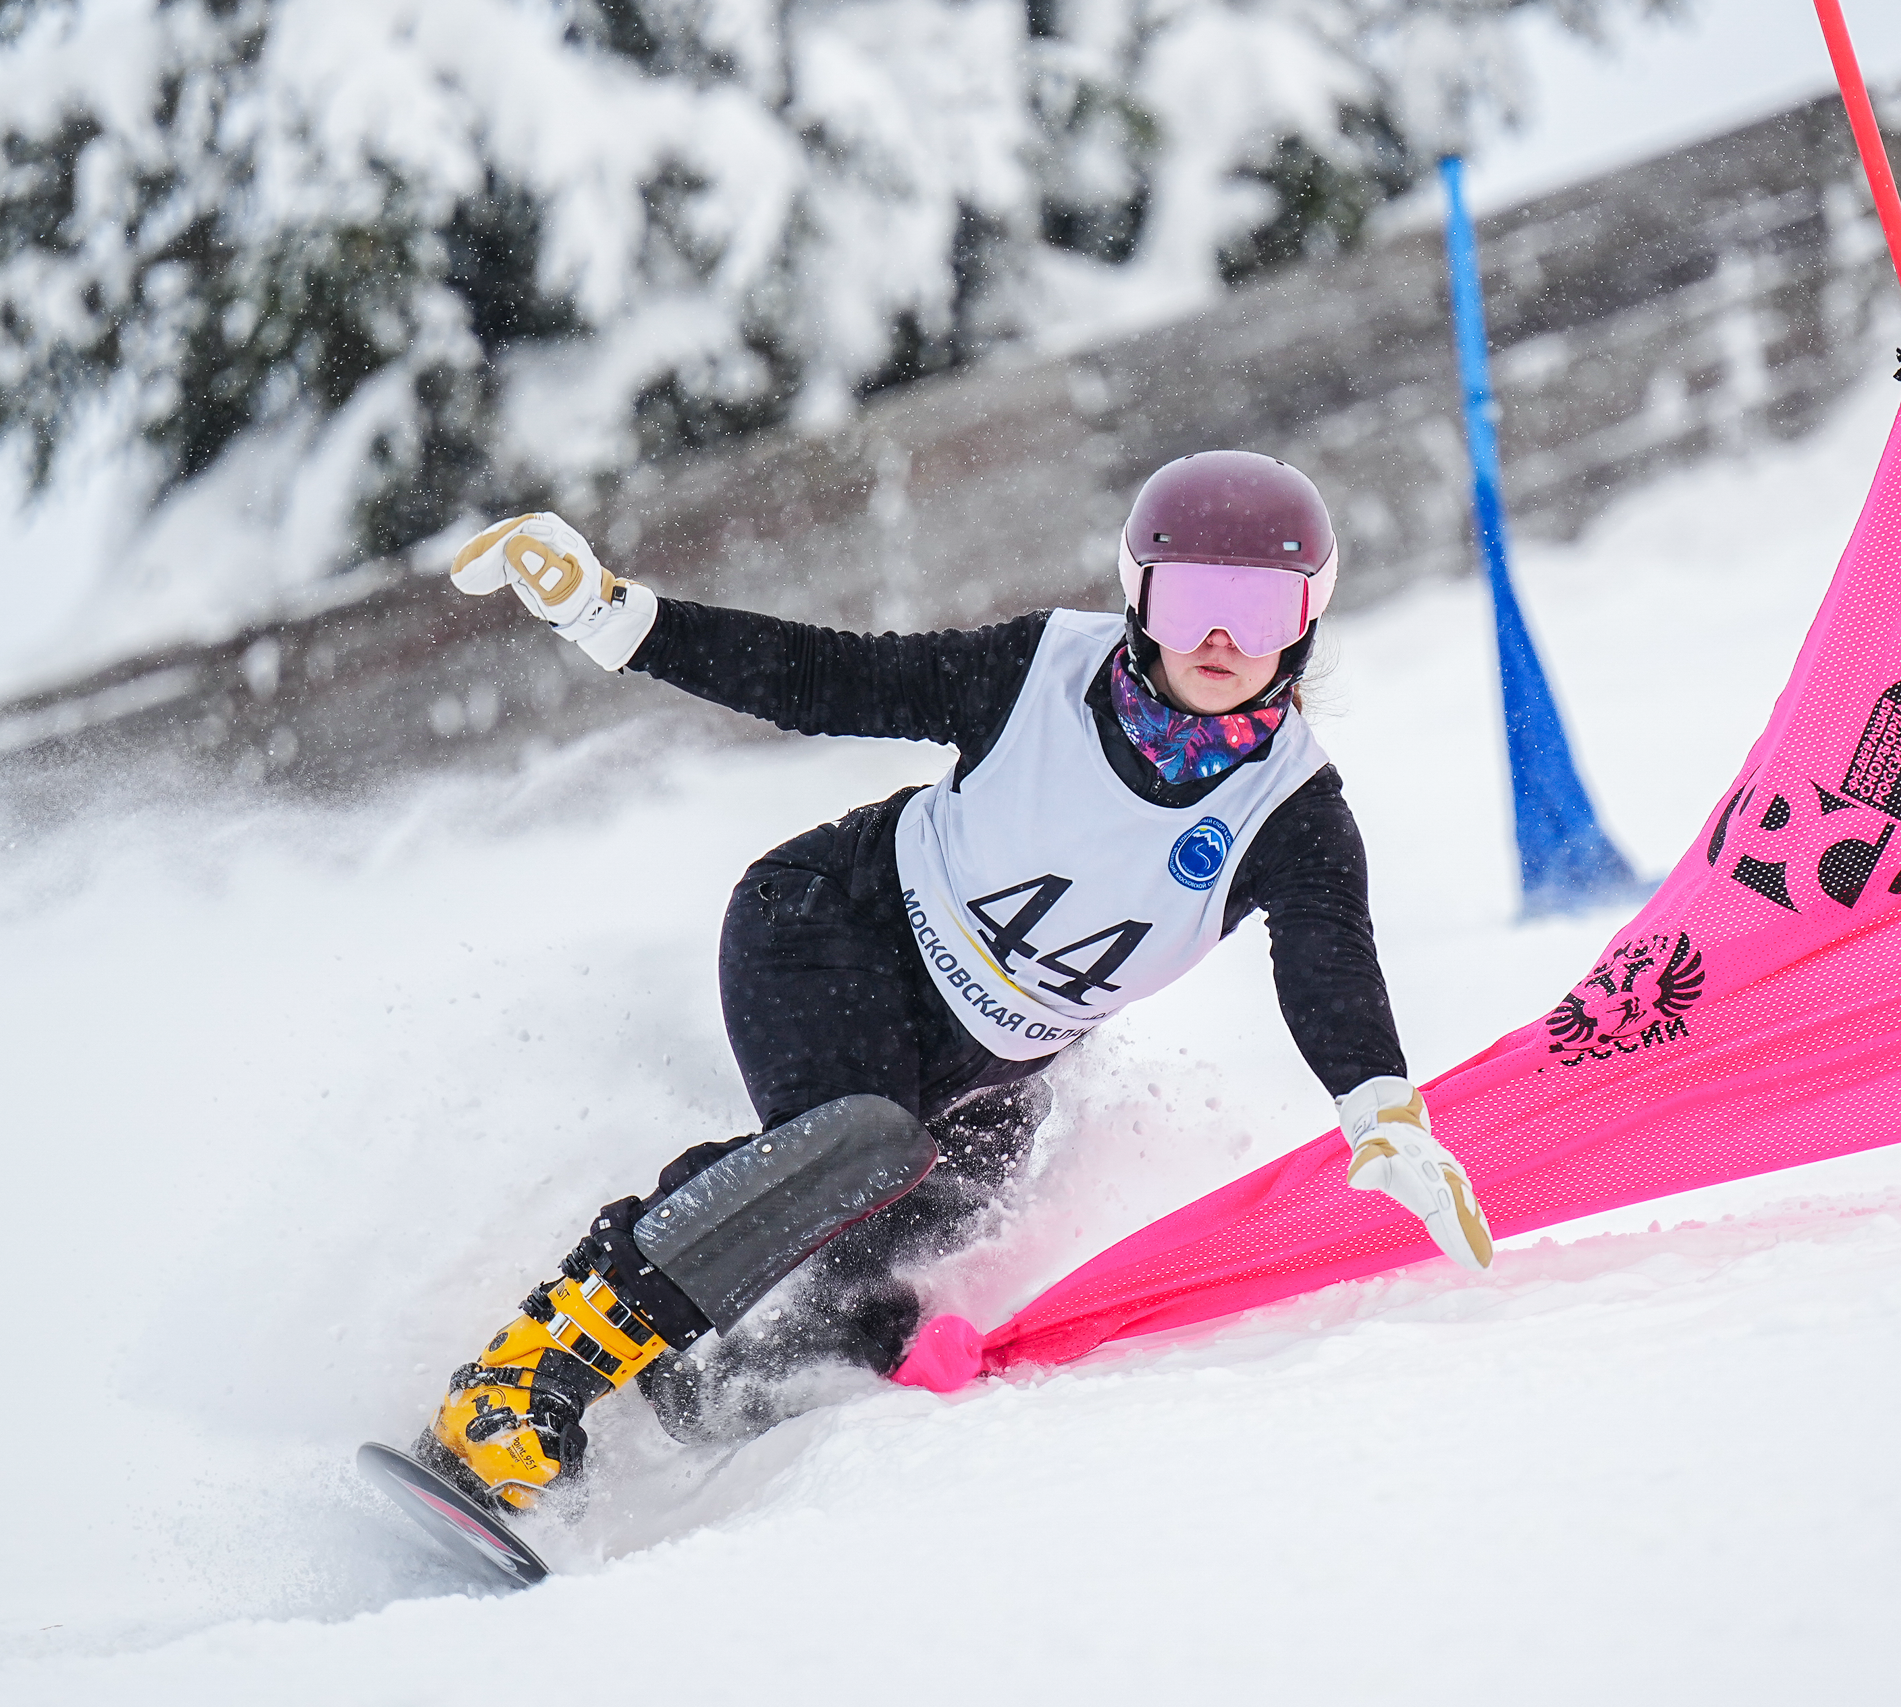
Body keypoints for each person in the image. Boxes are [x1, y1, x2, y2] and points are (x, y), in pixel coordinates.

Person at [425, 450, 1495, 1515]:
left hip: (987, 1073)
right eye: (1192, 601)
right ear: (1138, 595)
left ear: (1306, 621)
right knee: (849, 1150)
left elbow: (1328, 959)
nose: (1220, 638)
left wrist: (1381, 1111)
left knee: (929, 1228)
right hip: (832, 928)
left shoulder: (1293, 814)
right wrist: (617, 618)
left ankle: (733, 1373)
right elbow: (829, 676)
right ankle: (521, 1381)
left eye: (1258, 611)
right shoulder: (1041, 673)